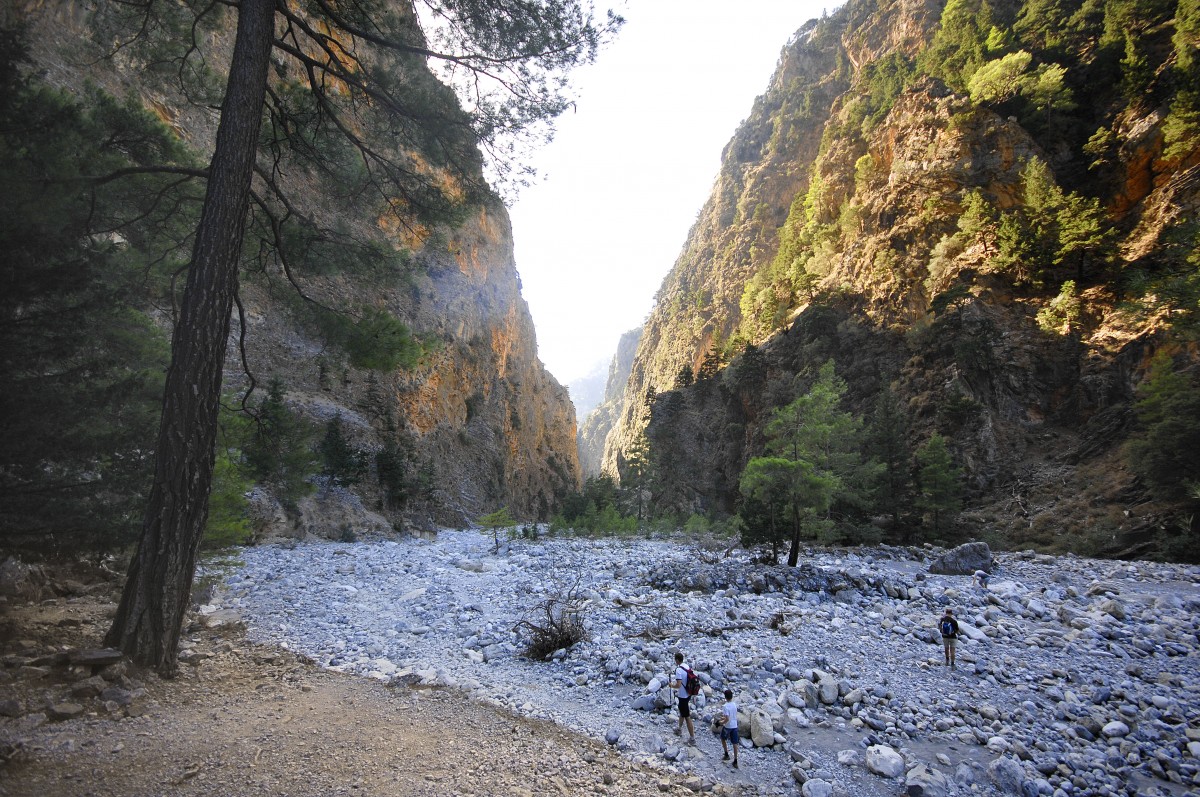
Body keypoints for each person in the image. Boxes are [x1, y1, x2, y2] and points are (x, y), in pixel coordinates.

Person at [670, 651, 696, 743]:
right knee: (682, 712)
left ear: (677, 660)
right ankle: (679, 729)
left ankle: (692, 738)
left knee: (687, 716)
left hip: (683, 696)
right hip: (689, 693)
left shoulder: (679, 670)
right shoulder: (686, 666)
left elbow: (678, 684)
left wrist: (671, 685)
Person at [717, 688, 740, 768]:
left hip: (728, 726)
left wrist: (720, 722)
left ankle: (726, 754)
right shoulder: (734, 705)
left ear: (725, 697)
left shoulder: (725, 706)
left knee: (723, 738)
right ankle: (735, 760)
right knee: (735, 743)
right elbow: (732, 716)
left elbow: (727, 719)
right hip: (735, 725)